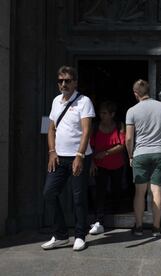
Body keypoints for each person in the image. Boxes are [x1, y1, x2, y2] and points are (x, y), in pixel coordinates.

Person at [41, 66, 95, 251]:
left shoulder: (84, 101)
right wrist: (51, 152)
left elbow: (87, 130)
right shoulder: (56, 101)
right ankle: (61, 235)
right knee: (49, 193)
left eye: (67, 80)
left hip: (78, 157)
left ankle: (80, 235)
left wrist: (79, 156)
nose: (64, 84)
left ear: (75, 82)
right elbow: (50, 128)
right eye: (61, 80)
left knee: (78, 197)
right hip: (59, 157)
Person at [125, 79, 161, 236]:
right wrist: (160, 132)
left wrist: (130, 156)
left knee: (140, 192)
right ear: (149, 91)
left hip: (140, 153)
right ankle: (156, 227)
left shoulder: (132, 111)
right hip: (159, 152)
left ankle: (139, 227)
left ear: (135, 94)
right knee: (157, 190)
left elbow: (128, 138)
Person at [89, 101, 126, 235]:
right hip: (100, 165)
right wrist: (92, 162)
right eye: (101, 113)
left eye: (105, 113)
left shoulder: (119, 126)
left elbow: (122, 145)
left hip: (117, 164)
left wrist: (105, 153)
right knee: (100, 192)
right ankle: (99, 219)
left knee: (116, 189)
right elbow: (90, 146)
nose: (102, 115)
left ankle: (116, 213)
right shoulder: (94, 127)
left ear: (112, 114)